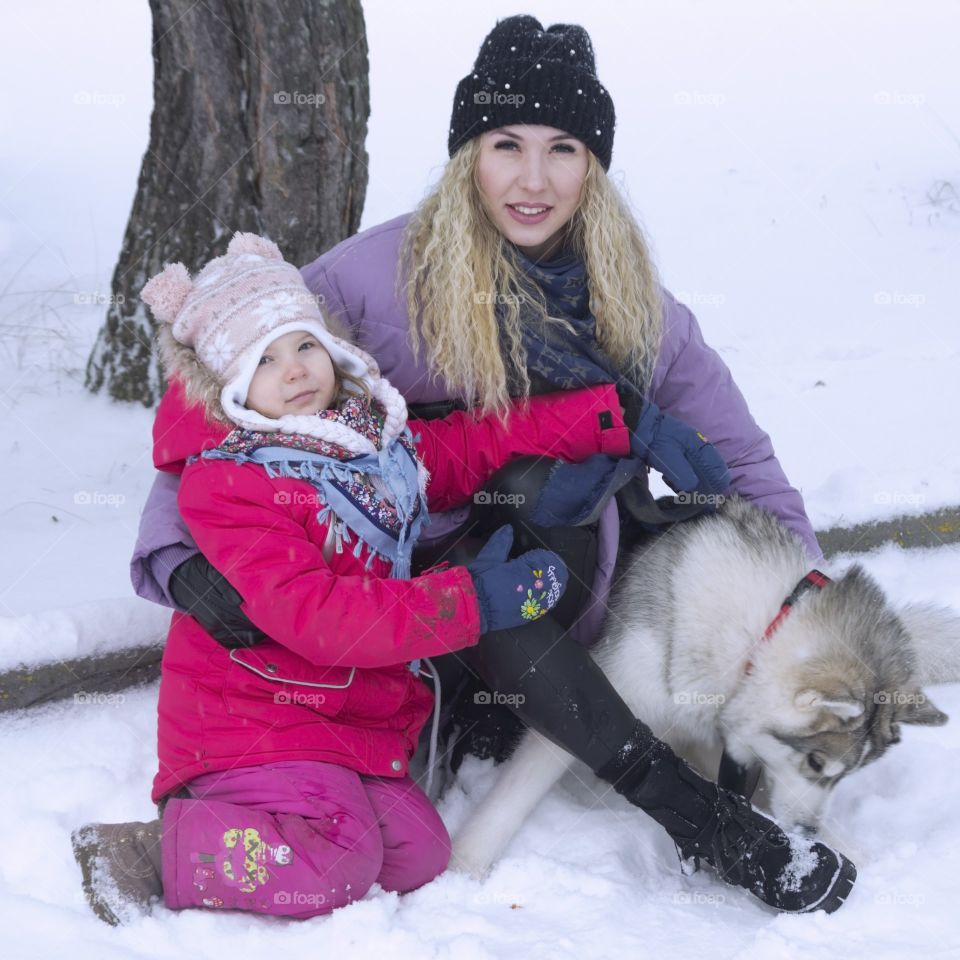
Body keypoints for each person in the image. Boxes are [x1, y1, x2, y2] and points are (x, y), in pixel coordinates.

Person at [127, 16, 856, 914]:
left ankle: (510, 722)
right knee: (501, 533)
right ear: (469, 153)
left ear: (594, 167)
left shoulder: (635, 307)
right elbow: (222, 395)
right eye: (506, 144)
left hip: (547, 578)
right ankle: (682, 808)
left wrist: (808, 605)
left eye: (563, 149)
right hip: (388, 589)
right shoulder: (380, 277)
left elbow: (740, 455)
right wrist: (181, 559)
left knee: (543, 491)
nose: (533, 180)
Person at [71, 232, 653, 924]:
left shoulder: (373, 446)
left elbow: (474, 443)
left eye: (304, 345)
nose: (295, 370)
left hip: (344, 719)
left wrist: (607, 421)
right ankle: (152, 851)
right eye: (265, 360)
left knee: (418, 855)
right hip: (255, 719)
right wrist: (471, 601)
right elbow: (321, 617)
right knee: (332, 866)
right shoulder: (231, 483)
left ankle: (277, 818)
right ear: (231, 386)